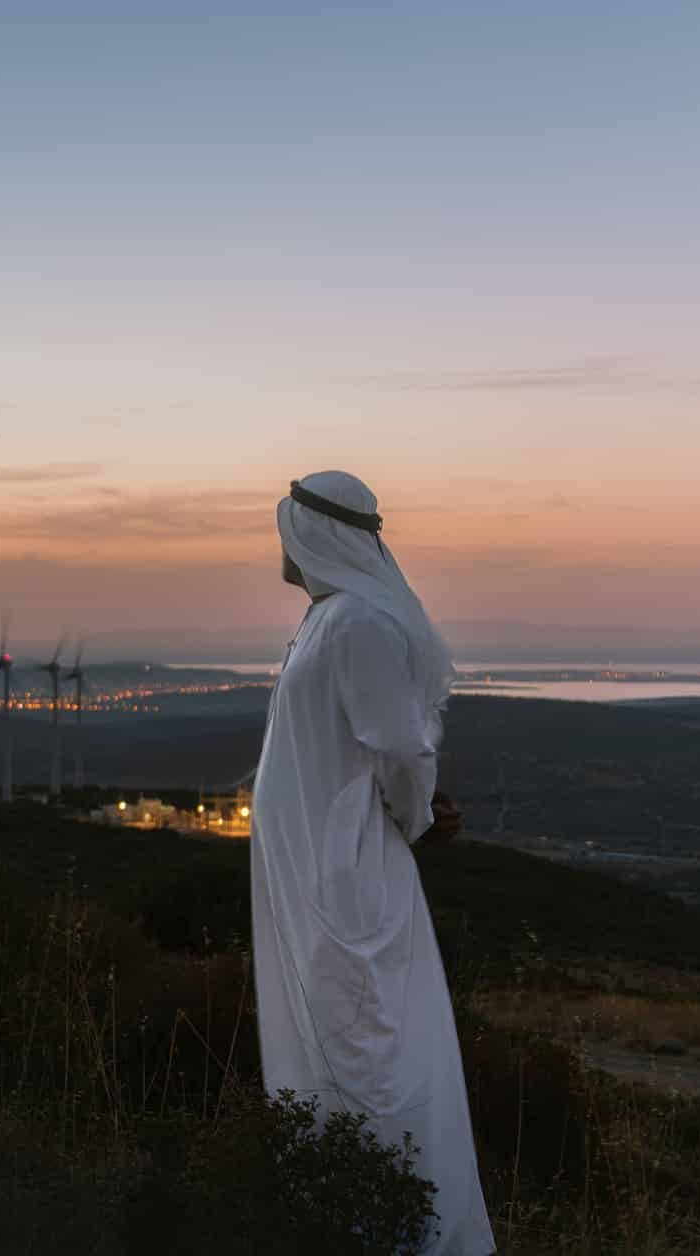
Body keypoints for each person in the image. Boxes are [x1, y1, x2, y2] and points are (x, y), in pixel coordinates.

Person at [249, 470, 494, 1255]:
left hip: (344, 877)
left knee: (367, 1043)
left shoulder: (356, 622)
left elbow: (397, 746)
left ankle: (399, 1227)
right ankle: (347, 1214)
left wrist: (419, 817)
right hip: (318, 870)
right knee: (337, 1038)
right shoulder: (330, 619)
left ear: (313, 533)